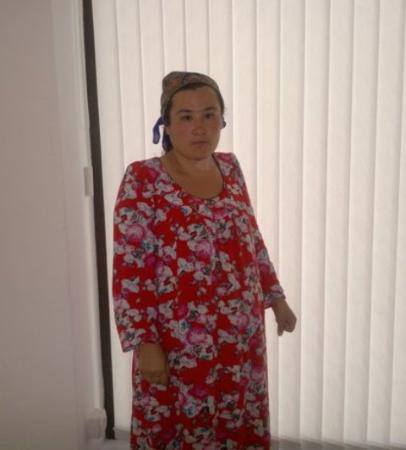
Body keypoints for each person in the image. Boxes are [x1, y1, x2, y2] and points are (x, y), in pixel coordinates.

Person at [112, 71, 297, 449]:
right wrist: (144, 342)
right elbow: (130, 266)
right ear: (166, 124)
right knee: (181, 427)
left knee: (237, 421)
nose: (199, 127)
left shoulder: (230, 167)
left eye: (209, 115)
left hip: (240, 335)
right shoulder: (143, 178)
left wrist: (276, 298)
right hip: (178, 341)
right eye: (186, 117)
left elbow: (250, 238)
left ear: (222, 120)